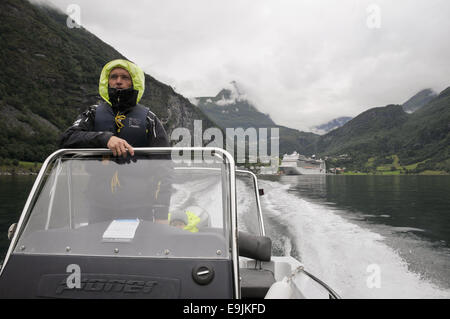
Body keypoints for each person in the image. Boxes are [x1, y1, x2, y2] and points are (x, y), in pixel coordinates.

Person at [59, 59, 171, 223]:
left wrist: (161, 214)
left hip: (139, 208)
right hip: (97, 207)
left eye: (125, 77)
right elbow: (67, 139)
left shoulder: (149, 119)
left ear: (134, 82)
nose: (118, 81)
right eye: (113, 77)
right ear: (107, 81)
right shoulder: (93, 114)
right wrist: (105, 139)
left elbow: (165, 168)